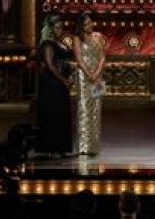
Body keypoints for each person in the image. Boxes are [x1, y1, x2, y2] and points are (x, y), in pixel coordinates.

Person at [36, 15, 73, 157]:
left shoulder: (61, 42)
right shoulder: (48, 44)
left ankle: (61, 147)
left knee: (61, 114)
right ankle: (52, 147)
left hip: (60, 83)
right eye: (57, 28)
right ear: (51, 29)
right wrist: (64, 80)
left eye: (62, 27)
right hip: (52, 83)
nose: (60, 30)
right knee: (54, 114)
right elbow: (50, 65)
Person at [72, 12, 106, 156]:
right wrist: (89, 75)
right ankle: (84, 145)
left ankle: (94, 145)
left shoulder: (98, 36)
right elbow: (79, 59)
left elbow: (102, 57)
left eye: (90, 22)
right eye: (86, 24)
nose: (90, 25)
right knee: (84, 108)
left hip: (98, 77)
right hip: (83, 77)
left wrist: (97, 74)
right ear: (81, 26)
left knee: (96, 109)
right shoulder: (77, 38)